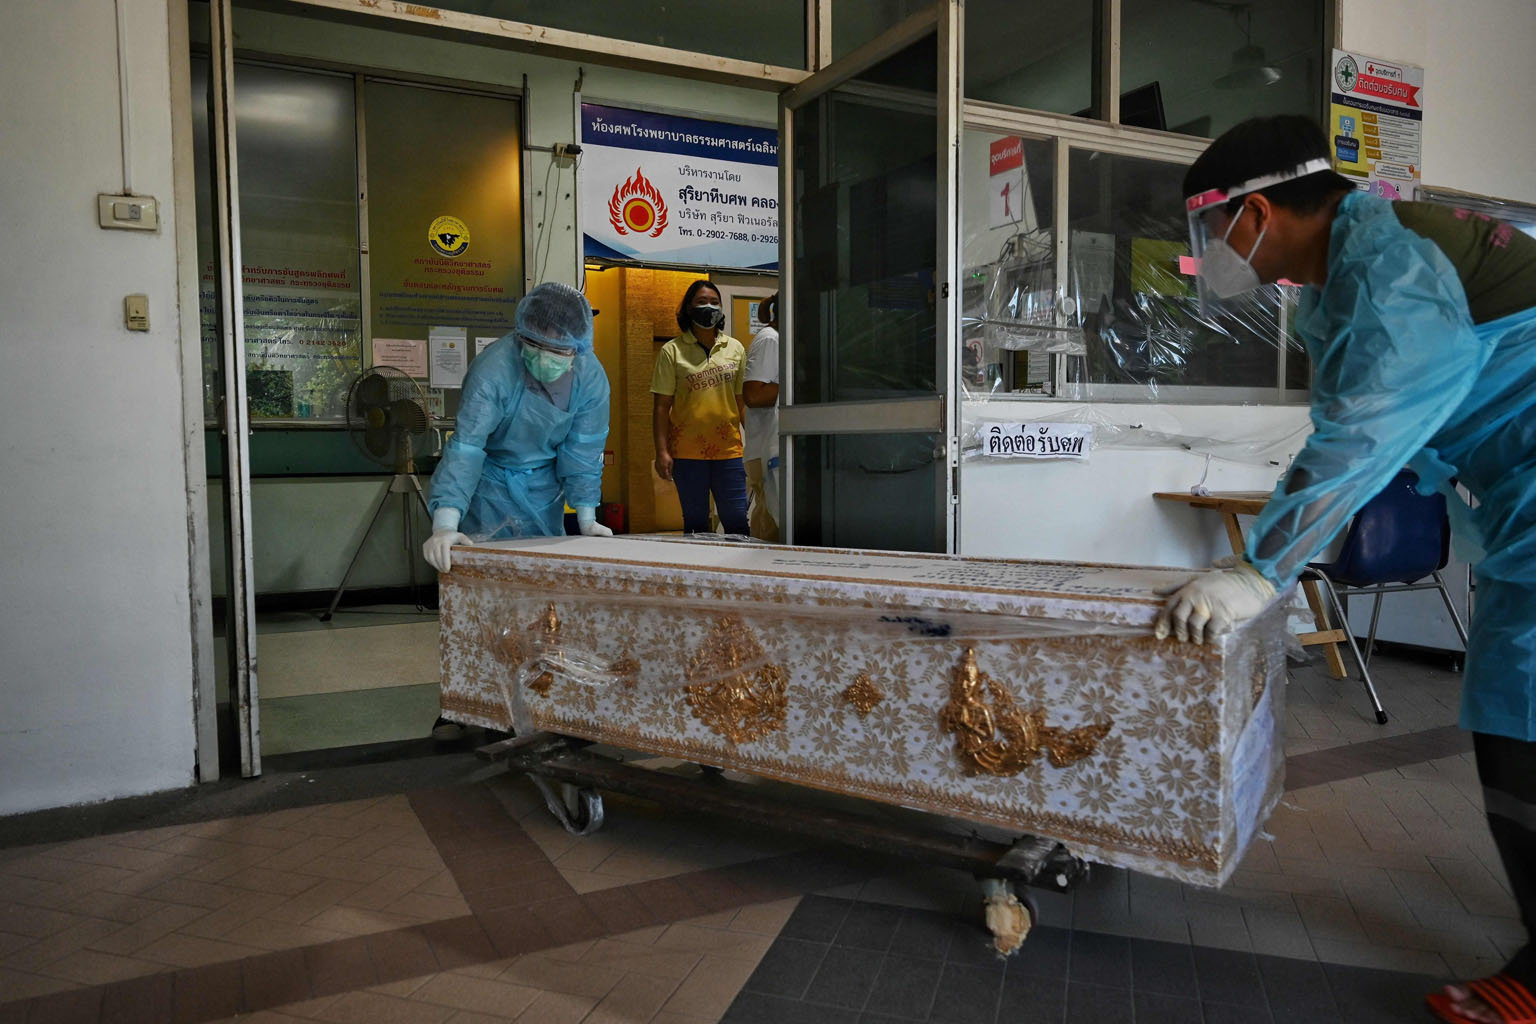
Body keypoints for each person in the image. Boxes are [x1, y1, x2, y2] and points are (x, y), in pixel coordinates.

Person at [1153, 115, 1536, 1024]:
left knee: (1518, 705)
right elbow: (1358, 425)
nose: (1213, 254)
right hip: (1516, 497)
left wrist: (1261, 569)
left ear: (1253, 213)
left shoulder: (1393, 266)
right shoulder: (1349, 274)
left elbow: (1369, 424)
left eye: (1211, 233)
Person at [422, 281, 612, 575]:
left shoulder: (590, 379)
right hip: (489, 486)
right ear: (520, 335)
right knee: (486, 578)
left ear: (577, 349)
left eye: (556, 351)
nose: (541, 359)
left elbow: (584, 449)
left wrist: (587, 518)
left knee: (542, 581)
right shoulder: (493, 370)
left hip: (544, 489)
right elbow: (467, 447)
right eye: (533, 346)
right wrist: (445, 525)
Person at [651, 280, 750, 536]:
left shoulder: (735, 349)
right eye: (701, 302)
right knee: (695, 524)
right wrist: (662, 451)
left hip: (729, 450)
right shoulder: (671, 351)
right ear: (688, 309)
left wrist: (758, 442)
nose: (709, 307)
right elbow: (661, 407)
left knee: (737, 520)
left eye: (714, 302)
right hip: (687, 453)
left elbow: (742, 402)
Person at [743, 292, 781, 541]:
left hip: (770, 447)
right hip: (765, 449)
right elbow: (753, 395)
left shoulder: (780, 339)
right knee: (769, 532)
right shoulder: (771, 339)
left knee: (769, 524)